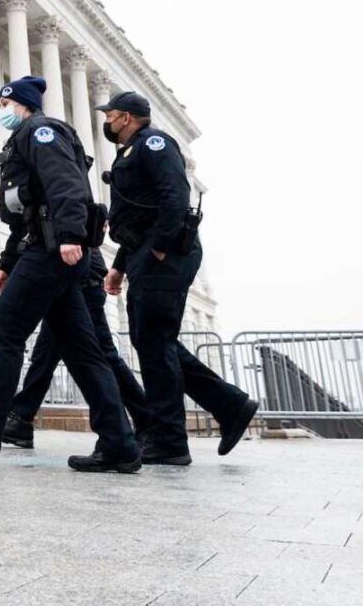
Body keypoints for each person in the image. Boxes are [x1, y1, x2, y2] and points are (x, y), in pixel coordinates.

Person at [0, 76, 141, 473]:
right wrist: (7, 262)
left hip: (51, 253)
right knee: (82, 349)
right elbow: (24, 213)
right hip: (44, 249)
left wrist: (70, 235)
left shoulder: (41, 131)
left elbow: (66, 184)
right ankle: (120, 444)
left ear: (17, 102)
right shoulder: (22, 138)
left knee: (4, 336)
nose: (0, 112)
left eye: (3, 104)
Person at [98, 92, 257, 465]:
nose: (107, 122)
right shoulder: (131, 151)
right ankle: (230, 405)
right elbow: (138, 216)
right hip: (146, 254)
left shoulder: (154, 144)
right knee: (154, 340)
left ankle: (169, 442)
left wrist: (159, 249)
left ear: (125, 117)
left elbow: (175, 195)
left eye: (111, 116)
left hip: (164, 256)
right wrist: (121, 263)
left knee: (154, 343)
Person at [1, 242, 151, 451]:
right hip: (70, 276)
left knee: (101, 355)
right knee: (45, 354)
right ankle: (21, 418)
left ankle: (145, 420)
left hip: (80, 278)